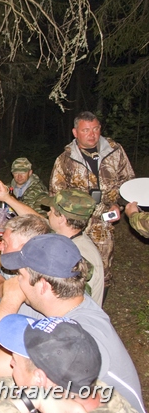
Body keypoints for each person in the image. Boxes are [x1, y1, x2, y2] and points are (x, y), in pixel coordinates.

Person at [0, 233, 147, 413]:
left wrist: (9, 300)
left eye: (20, 275)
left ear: (43, 285)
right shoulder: (58, 303)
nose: (14, 282)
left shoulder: (74, 337)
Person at [0, 315, 148, 413]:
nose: (10, 364)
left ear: (40, 379)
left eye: (15, 362)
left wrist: (29, 402)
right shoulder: (80, 389)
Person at [49, 111, 135, 297]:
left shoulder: (114, 151)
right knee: (72, 269)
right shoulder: (65, 159)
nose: (92, 134)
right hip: (76, 224)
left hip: (104, 223)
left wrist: (118, 204)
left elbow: (129, 182)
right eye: (86, 130)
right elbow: (56, 194)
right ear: (75, 132)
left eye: (95, 129)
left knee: (103, 270)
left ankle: (97, 309)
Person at [0, 185, 105, 306]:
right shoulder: (68, 237)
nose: (48, 213)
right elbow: (38, 221)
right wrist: (7, 198)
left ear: (62, 219)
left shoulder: (77, 256)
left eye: (51, 211)